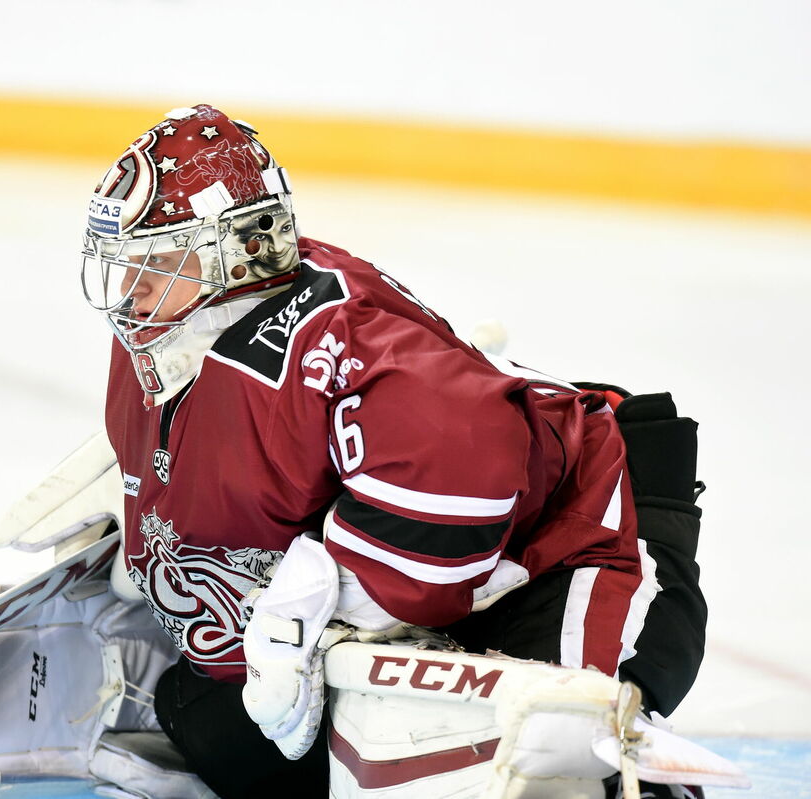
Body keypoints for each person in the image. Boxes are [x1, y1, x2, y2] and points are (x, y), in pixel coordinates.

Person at [80, 104, 708, 798]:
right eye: (130, 261)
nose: (134, 290)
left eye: (159, 259)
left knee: (561, 749)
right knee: (226, 731)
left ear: (238, 248)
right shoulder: (169, 334)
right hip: (454, 563)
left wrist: (309, 595)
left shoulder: (332, 341)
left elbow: (464, 471)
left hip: (571, 532)